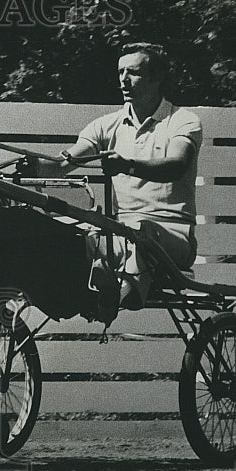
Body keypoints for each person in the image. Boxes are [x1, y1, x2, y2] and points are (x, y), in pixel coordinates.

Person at [25, 43, 202, 322]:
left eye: (133, 73)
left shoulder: (182, 121)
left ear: (157, 78)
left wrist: (128, 165)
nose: (123, 80)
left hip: (172, 236)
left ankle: (118, 294)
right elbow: (62, 164)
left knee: (141, 230)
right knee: (77, 233)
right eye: (120, 72)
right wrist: (31, 166)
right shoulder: (105, 126)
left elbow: (176, 166)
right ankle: (89, 293)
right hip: (121, 234)